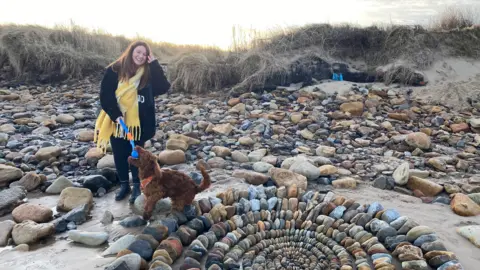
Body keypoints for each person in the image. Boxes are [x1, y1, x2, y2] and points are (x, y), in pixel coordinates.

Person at [94, 40, 171, 203]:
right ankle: (124, 186)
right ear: (131, 52)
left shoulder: (148, 73)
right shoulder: (115, 69)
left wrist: (155, 65)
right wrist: (115, 114)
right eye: (138, 52)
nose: (141, 56)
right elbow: (105, 94)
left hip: (140, 123)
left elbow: (163, 87)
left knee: (137, 156)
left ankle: (137, 185)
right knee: (119, 154)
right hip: (117, 121)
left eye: (144, 54)